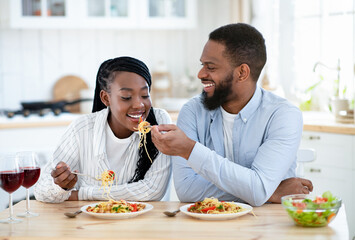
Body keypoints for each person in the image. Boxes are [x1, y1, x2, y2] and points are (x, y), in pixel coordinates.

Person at [151, 23, 313, 206]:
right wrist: (269, 192)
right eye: (202, 65)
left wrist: (191, 150)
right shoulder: (192, 111)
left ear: (242, 72)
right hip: (208, 223)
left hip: (269, 224)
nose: (200, 74)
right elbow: (187, 190)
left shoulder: (283, 115)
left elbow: (258, 189)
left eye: (210, 67)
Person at [34, 56, 171, 203]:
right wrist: (60, 187)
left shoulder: (159, 121)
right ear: (105, 98)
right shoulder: (82, 129)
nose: (139, 105)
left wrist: (80, 194)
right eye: (126, 97)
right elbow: (42, 190)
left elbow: (152, 190)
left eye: (145, 95)